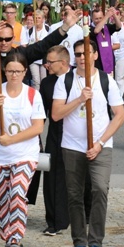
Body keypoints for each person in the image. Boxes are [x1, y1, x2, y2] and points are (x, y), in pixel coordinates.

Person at [0, 8, 80, 197]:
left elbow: (44, 45)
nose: (4, 43)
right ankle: (2, 197)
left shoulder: (20, 54)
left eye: (8, 39)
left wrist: (65, 27)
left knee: (23, 157)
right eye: (0, 39)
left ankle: (19, 196)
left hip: (19, 115)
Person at [51, 39, 124, 247]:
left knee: (100, 189)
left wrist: (100, 143)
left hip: (100, 145)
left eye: (86, 53)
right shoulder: (65, 81)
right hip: (72, 145)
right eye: (78, 54)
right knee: (74, 194)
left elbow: (119, 115)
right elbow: (56, 114)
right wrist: (79, 99)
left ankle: (95, 243)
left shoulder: (106, 80)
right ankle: (79, 242)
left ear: (94, 55)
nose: (82, 57)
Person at [0, 53, 45, 247]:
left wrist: (13, 139)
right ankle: (7, 237)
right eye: (10, 71)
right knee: (3, 199)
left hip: (25, 153)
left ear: (25, 71)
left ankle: (15, 240)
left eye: (18, 71)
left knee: (17, 193)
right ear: (4, 71)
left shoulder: (33, 95)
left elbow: (38, 127)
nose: (14, 75)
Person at [40, 45, 74, 236]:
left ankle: (79, 215)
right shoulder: (46, 83)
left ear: (63, 62)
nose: (47, 65)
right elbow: (41, 114)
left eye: (51, 62)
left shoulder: (77, 79)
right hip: (55, 135)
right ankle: (54, 220)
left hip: (76, 135)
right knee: (52, 178)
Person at [90, 7, 122, 76]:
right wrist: (106, 16)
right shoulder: (89, 28)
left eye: (100, 18)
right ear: (92, 19)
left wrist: (114, 15)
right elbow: (96, 31)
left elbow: (118, 26)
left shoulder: (107, 27)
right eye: (96, 18)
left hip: (109, 59)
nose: (99, 20)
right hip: (98, 61)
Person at [27, 10, 50, 90]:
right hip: (34, 60)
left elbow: (49, 45)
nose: (37, 20)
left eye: (39, 18)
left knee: (44, 80)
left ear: (43, 19)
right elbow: (27, 46)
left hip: (44, 59)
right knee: (36, 81)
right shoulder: (30, 31)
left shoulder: (47, 29)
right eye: (35, 18)